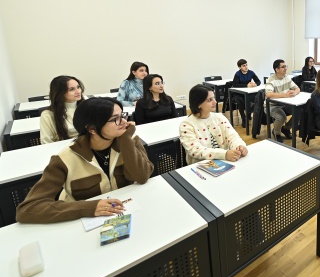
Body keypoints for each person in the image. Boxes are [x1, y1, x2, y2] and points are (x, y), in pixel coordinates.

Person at [16, 98, 153, 224]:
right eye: (115, 119)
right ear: (92, 129)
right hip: (82, 222)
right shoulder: (64, 159)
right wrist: (88, 207)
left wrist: (126, 140)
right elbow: (27, 209)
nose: (124, 122)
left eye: (122, 115)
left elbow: (141, 177)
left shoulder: (129, 141)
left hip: (126, 213)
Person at [180, 85, 248, 164]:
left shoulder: (219, 117)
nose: (215, 102)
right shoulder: (187, 125)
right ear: (198, 104)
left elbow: (233, 136)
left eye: (214, 98)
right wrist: (224, 154)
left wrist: (239, 146)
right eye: (209, 100)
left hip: (223, 162)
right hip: (200, 166)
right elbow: (196, 150)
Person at [40, 75, 86, 144]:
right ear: (60, 93)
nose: (78, 91)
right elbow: (46, 142)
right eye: (71, 89)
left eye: (78, 87)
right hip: (64, 150)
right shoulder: (48, 115)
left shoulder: (86, 107)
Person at [265, 59, 300, 142]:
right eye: (283, 67)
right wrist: (285, 95)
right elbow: (268, 94)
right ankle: (276, 132)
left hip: (285, 104)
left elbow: (298, 88)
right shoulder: (271, 79)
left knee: (299, 112)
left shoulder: (286, 77)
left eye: (286, 66)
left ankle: (286, 128)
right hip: (272, 105)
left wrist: (294, 92)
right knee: (282, 117)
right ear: (277, 69)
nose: (286, 68)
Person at [231, 59, 261, 128]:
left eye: (246, 65)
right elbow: (235, 84)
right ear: (240, 67)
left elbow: (258, 81)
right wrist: (247, 85)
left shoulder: (251, 72)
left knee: (253, 98)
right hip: (238, 94)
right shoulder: (238, 74)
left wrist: (255, 84)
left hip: (248, 93)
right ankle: (244, 118)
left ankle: (249, 115)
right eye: (243, 66)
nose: (246, 67)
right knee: (240, 101)